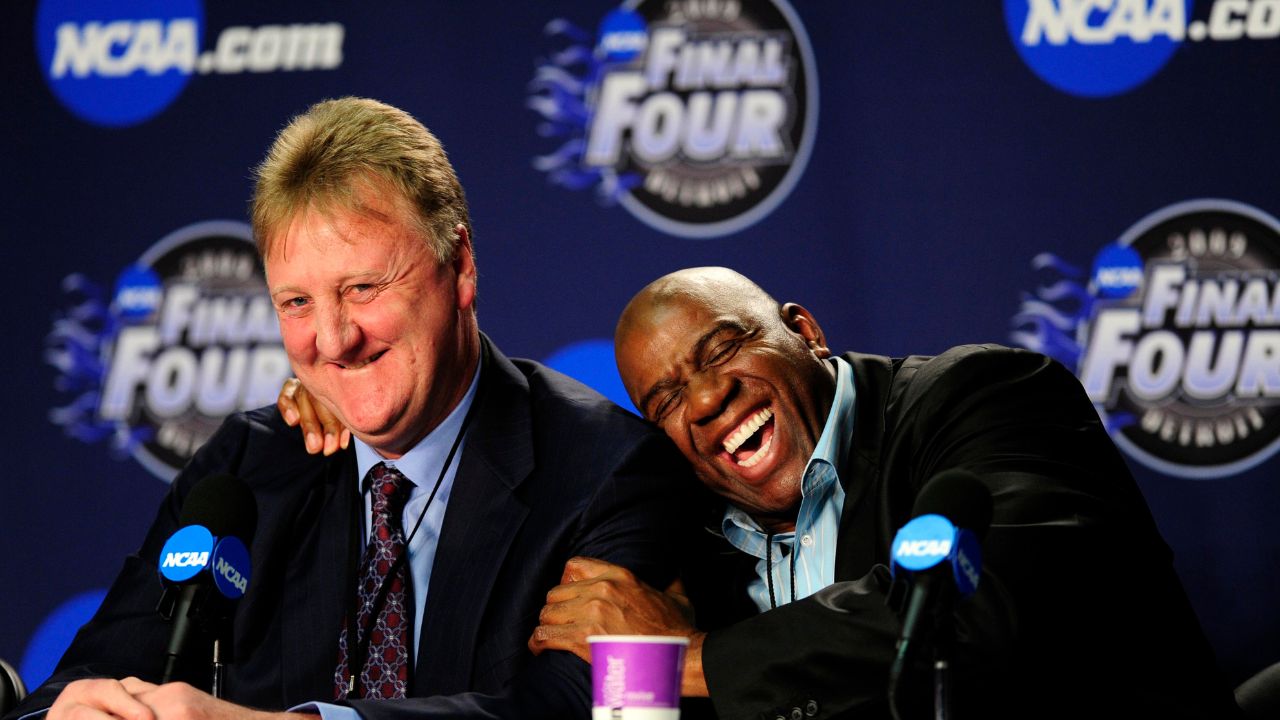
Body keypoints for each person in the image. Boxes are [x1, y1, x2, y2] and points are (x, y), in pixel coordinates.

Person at [8, 98, 694, 720]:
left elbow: (583, 708)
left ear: (459, 264)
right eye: (297, 303)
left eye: (362, 288)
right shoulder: (248, 466)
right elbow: (80, 679)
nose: (333, 340)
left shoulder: (605, 472)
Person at [521, 267, 1241, 718]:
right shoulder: (691, 536)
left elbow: (974, 608)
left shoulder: (986, 396)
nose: (707, 400)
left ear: (805, 332)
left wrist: (690, 659)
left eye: (724, 348)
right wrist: (632, 675)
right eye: (668, 400)